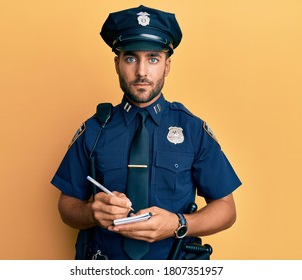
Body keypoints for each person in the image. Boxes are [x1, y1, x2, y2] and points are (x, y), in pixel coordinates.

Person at [51, 5, 241, 260]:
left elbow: (227, 209)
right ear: (117, 63)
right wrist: (91, 213)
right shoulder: (95, 129)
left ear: (167, 65)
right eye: (131, 58)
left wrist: (178, 223)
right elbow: (66, 206)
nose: (142, 71)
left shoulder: (193, 130)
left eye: (153, 58)